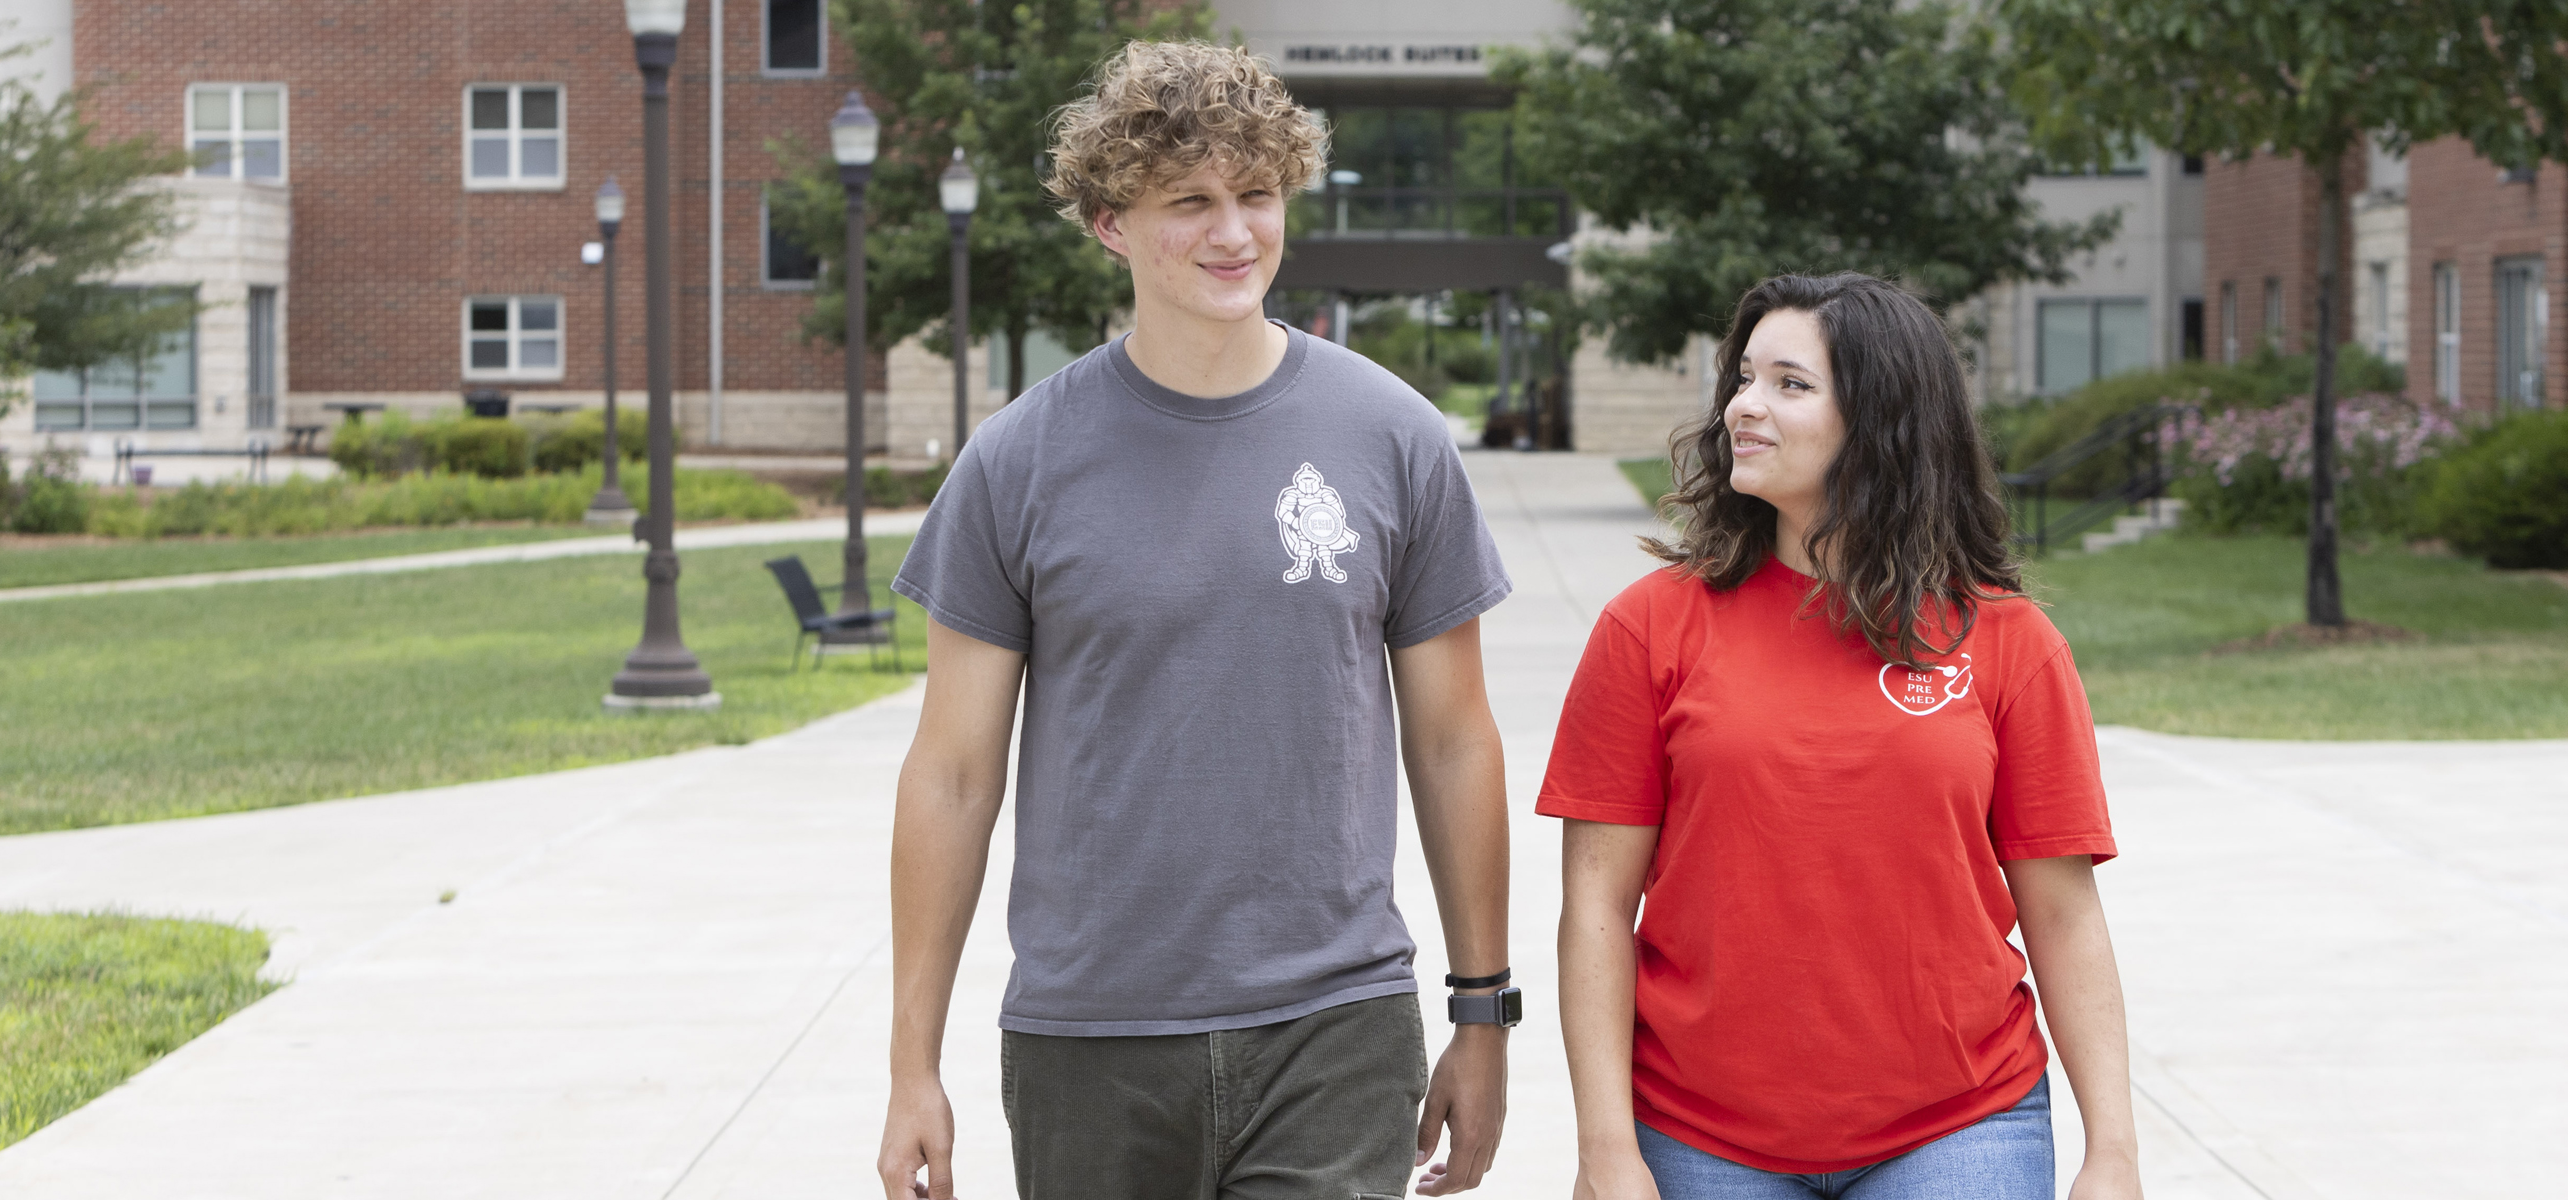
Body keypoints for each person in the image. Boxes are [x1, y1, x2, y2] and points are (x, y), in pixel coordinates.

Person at [877, 40, 1518, 1200]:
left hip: (1335, 1024)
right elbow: (954, 775)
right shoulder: (1016, 463)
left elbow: (1454, 741)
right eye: (1191, 203)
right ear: (1111, 222)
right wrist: (910, 1062)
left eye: (1256, 195)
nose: (1234, 234)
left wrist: (1483, 1015)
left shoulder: (1395, 437)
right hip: (1091, 1035)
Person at [1540, 273, 2143, 1200]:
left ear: (1883, 420)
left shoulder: (2009, 642)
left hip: (1961, 1123)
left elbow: (2062, 911)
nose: (1745, 405)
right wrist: (1605, 1148)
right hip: (1700, 1133)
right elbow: (1594, 909)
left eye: (1789, 384)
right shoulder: (1649, 629)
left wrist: (2114, 1151)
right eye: (1744, 378)